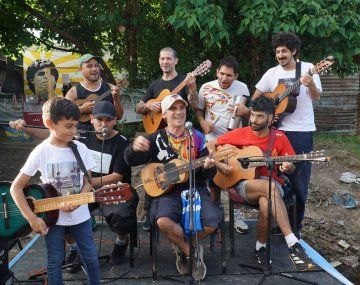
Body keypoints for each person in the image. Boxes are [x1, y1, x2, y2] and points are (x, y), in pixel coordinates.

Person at [9, 101, 139, 269]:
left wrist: (90, 185)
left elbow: (118, 175)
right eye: (100, 119)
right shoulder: (81, 135)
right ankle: (73, 247)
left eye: (108, 120)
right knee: (59, 216)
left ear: (115, 120)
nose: (103, 124)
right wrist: (26, 128)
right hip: (79, 190)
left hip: (109, 189)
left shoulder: (121, 142)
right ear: (92, 119)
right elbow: (52, 133)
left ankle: (121, 241)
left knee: (121, 214)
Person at [207, 96, 314, 271]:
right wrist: (218, 162)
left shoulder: (280, 137)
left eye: (259, 117)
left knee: (266, 202)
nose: (254, 120)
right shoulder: (240, 133)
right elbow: (212, 143)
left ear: (270, 119)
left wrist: (288, 167)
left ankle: (260, 248)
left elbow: (292, 167)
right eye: (253, 115)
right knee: (269, 188)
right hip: (245, 184)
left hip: (273, 182)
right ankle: (292, 243)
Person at [125, 94, 221, 281]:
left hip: (196, 189)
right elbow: (131, 160)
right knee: (162, 221)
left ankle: (180, 244)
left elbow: (207, 175)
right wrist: (133, 148)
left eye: (182, 108)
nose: (178, 112)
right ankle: (191, 252)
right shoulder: (155, 139)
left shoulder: (198, 138)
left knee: (211, 222)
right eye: (173, 109)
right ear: (164, 115)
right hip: (167, 192)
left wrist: (210, 166)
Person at [10, 97, 100, 285]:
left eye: (75, 125)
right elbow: (16, 188)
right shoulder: (41, 151)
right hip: (52, 218)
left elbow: (88, 180)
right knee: (55, 261)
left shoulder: (80, 148)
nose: (73, 131)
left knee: (91, 259)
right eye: (68, 126)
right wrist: (32, 218)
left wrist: (78, 200)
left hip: (81, 217)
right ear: (49, 123)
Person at [252, 31, 322, 237]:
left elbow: (316, 97)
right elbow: (256, 99)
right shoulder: (271, 73)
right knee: (277, 179)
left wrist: (310, 86)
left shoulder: (308, 69)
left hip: (301, 131)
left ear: (293, 51)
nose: (280, 55)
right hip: (275, 132)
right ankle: (277, 224)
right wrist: (269, 112)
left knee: (300, 182)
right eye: (277, 51)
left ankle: (295, 228)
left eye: (284, 51)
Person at [135, 47, 198, 231]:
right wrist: (149, 104)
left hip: (179, 134)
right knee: (152, 168)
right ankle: (149, 212)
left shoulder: (184, 81)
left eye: (169, 58)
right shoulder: (155, 85)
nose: (165, 62)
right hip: (158, 134)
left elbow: (193, 104)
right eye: (162, 58)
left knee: (181, 171)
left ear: (176, 61)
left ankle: (183, 210)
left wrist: (192, 88)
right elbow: (139, 107)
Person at [195, 55, 250, 233]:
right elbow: (198, 110)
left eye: (229, 75)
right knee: (213, 180)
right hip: (211, 140)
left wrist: (246, 112)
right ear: (217, 71)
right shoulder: (205, 87)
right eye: (222, 74)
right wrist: (202, 122)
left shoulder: (242, 89)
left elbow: (249, 118)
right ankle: (216, 214)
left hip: (235, 140)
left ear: (236, 76)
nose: (225, 78)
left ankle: (238, 216)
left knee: (236, 176)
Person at [65, 54, 124, 127]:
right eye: (89, 66)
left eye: (96, 65)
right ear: (81, 69)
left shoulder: (111, 88)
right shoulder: (73, 92)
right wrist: (82, 109)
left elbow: (119, 117)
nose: (94, 69)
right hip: (83, 134)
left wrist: (116, 99)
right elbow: (64, 117)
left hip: (106, 133)